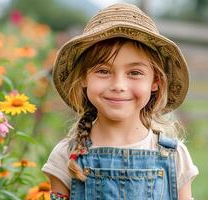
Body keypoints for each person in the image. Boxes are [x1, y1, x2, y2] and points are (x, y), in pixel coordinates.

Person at [42, 3, 198, 200]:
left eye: (134, 73)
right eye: (103, 71)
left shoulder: (175, 157)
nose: (118, 85)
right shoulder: (66, 156)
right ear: (83, 77)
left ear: (155, 81)